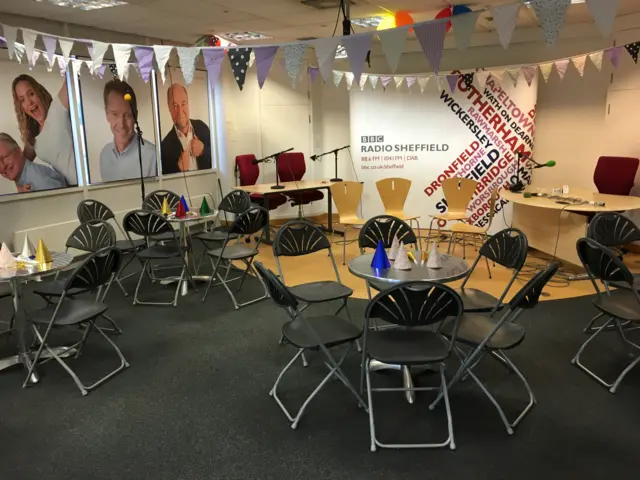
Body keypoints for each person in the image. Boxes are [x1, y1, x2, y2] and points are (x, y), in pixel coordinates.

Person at [12, 74, 77, 186]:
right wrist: (20, 186)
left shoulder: (57, 108)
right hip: (68, 189)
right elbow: (20, 167)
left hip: (86, 181)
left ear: (39, 92)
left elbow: (71, 75)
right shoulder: (33, 137)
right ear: (21, 107)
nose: (29, 102)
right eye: (22, 100)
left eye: (31, 94)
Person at [99, 80, 157, 182]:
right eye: (115, 114)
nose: (121, 124)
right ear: (106, 114)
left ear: (135, 116)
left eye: (127, 115)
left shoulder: (153, 156)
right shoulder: (104, 155)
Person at [161, 83, 212, 174]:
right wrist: (178, 169)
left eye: (183, 104)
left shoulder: (202, 128)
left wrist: (204, 150)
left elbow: (219, 161)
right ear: (169, 108)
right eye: (175, 105)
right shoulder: (165, 146)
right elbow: (166, 183)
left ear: (188, 103)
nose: (180, 111)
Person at [0, 133, 67, 193]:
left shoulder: (40, 180)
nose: (2, 166)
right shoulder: (23, 181)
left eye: (4, 157)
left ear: (19, 150)